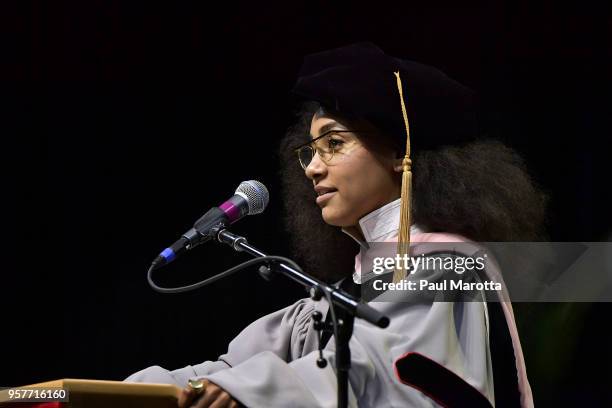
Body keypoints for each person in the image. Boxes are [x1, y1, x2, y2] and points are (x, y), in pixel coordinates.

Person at [125, 42, 546, 407]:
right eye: (310, 151)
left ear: (402, 152)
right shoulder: (338, 298)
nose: (312, 169)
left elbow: (382, 364)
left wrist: (248, 391)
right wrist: (125, 394)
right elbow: (230, 368)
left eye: (334, 143)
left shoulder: (452, 267)